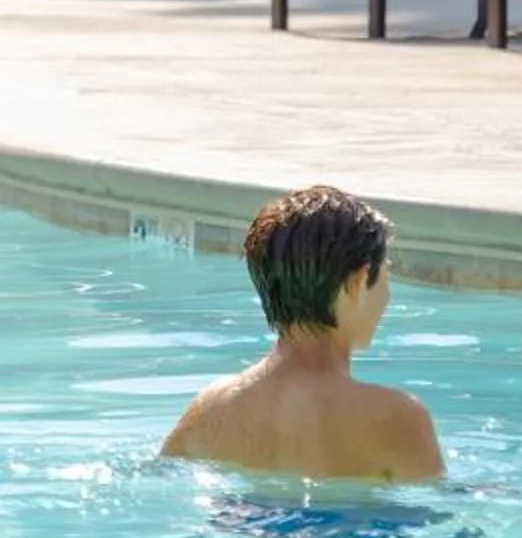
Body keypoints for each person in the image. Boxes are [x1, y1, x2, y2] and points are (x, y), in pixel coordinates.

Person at [161, 184, 443, 483]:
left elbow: (161, 476)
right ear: (357, 283)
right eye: (385, 277)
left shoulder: (211, 408)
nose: (387, 297)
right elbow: (440, 508)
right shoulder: (397, 418)